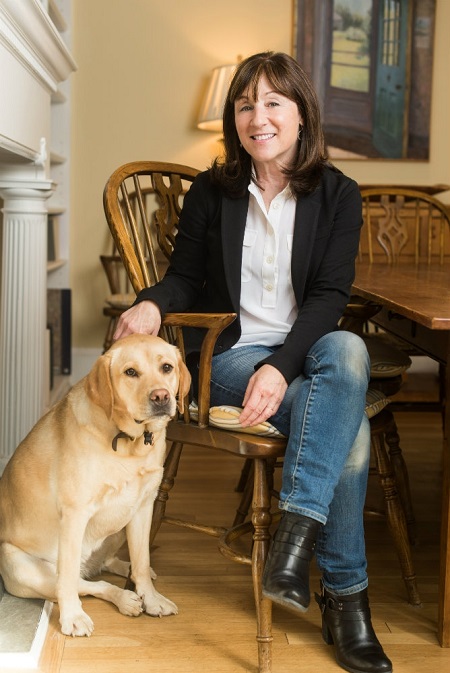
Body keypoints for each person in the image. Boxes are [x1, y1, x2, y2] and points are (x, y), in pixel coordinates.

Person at [114, 51, 392, 673]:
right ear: (233, 118)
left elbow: (329, 298)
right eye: (245, 105)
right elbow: (183, 277)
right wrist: (152, 302)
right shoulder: (212, 192)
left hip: (302, 355)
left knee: (347, 347)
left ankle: (294, 537)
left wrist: (282, 366)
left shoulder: (339, 195)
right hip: (229, 355)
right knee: (349, 428)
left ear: (301, 114)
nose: (257, 117)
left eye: (272, 102)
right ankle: (346, 598)